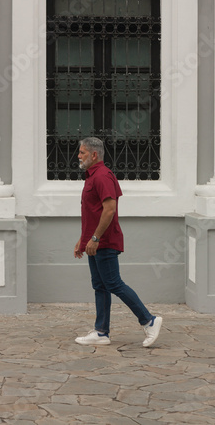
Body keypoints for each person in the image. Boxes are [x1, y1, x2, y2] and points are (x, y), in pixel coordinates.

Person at [74, 137, 162, 347]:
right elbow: (92, 214)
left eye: (82, 152)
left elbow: (109, 209)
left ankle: (149, 320)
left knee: (113, 283)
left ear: (94, 155)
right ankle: (101, 332)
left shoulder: (103, 176)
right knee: (100, 286)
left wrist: (95, 238)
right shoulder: (92, 176)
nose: (78, 156)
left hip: (104, 241)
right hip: (95, 242)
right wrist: (83, 240)